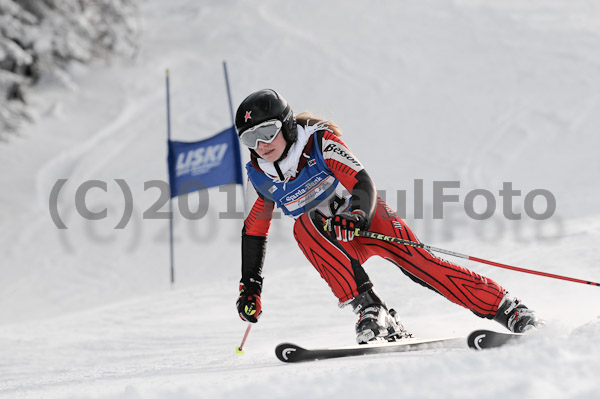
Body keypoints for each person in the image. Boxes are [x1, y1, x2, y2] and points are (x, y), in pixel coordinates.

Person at [234, 89, 540, 344]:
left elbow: (361, 181)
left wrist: (356, 215)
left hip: (367, 219)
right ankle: (371, 310)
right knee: (303, 228)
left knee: (424, 267)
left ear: (286, 125)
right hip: (334, 241)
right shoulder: (259, 178)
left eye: (267, 131)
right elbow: (254, 232)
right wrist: (250, 287)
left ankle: (508, 309)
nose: (261, 145)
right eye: (250, 139)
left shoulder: (319, 142)